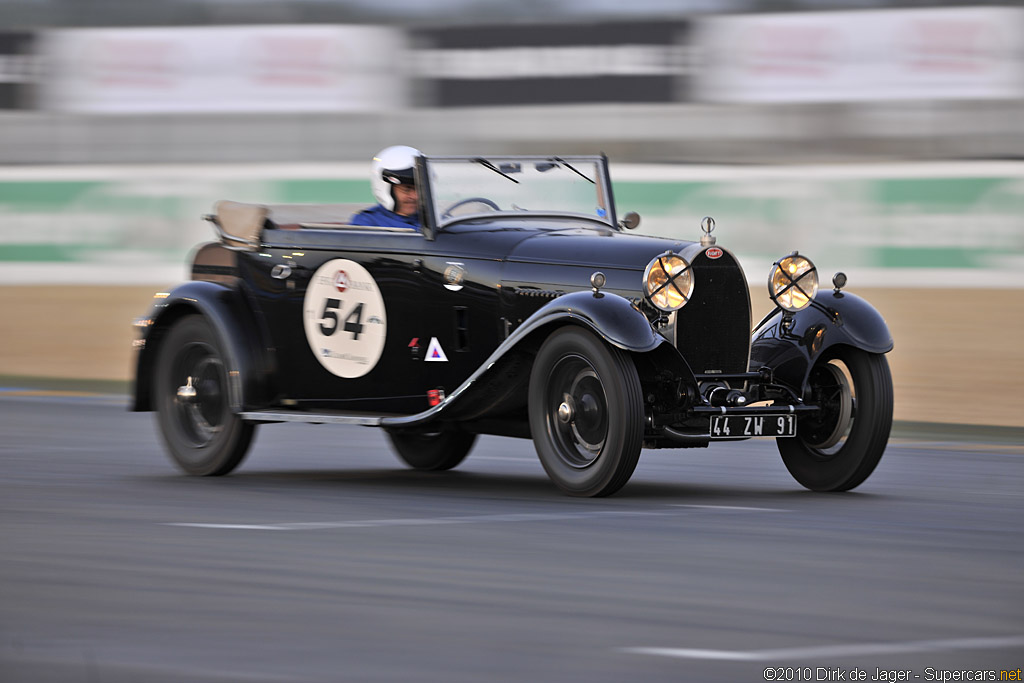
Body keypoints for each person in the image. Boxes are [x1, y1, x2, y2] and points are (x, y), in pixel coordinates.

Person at [349, 145, 422, 230]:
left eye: (419, 189)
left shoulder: (431, 220)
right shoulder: (367, 223)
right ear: (385, 188)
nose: (415, 196)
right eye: (407, 190)